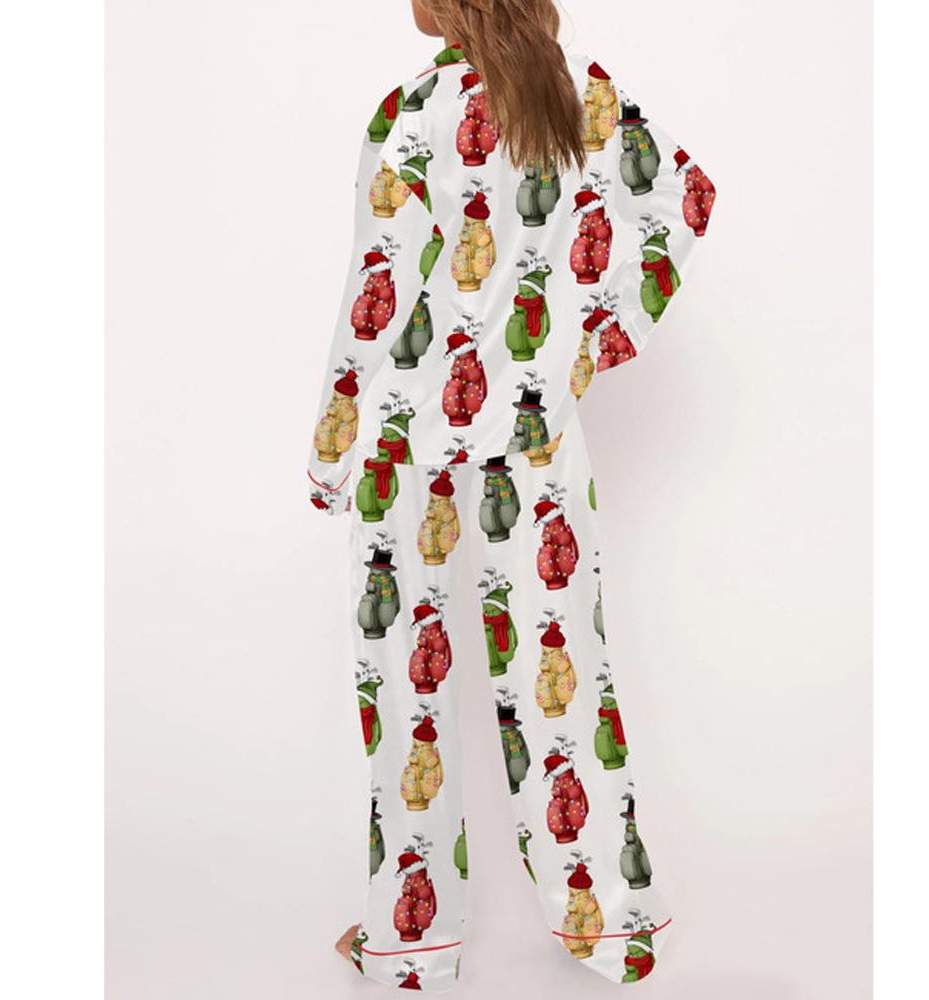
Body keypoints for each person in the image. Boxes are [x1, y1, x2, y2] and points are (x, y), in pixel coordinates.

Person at [310, 0, 715, 989]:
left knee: (403, 687)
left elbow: (378, 295)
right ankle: (612, 931)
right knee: (562, 675)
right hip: (536, 436)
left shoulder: (410, 112)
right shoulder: (577, 96)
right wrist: (586, 343)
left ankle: (411, 943)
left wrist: (332, 447)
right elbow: (686, 200)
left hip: (410, 442)